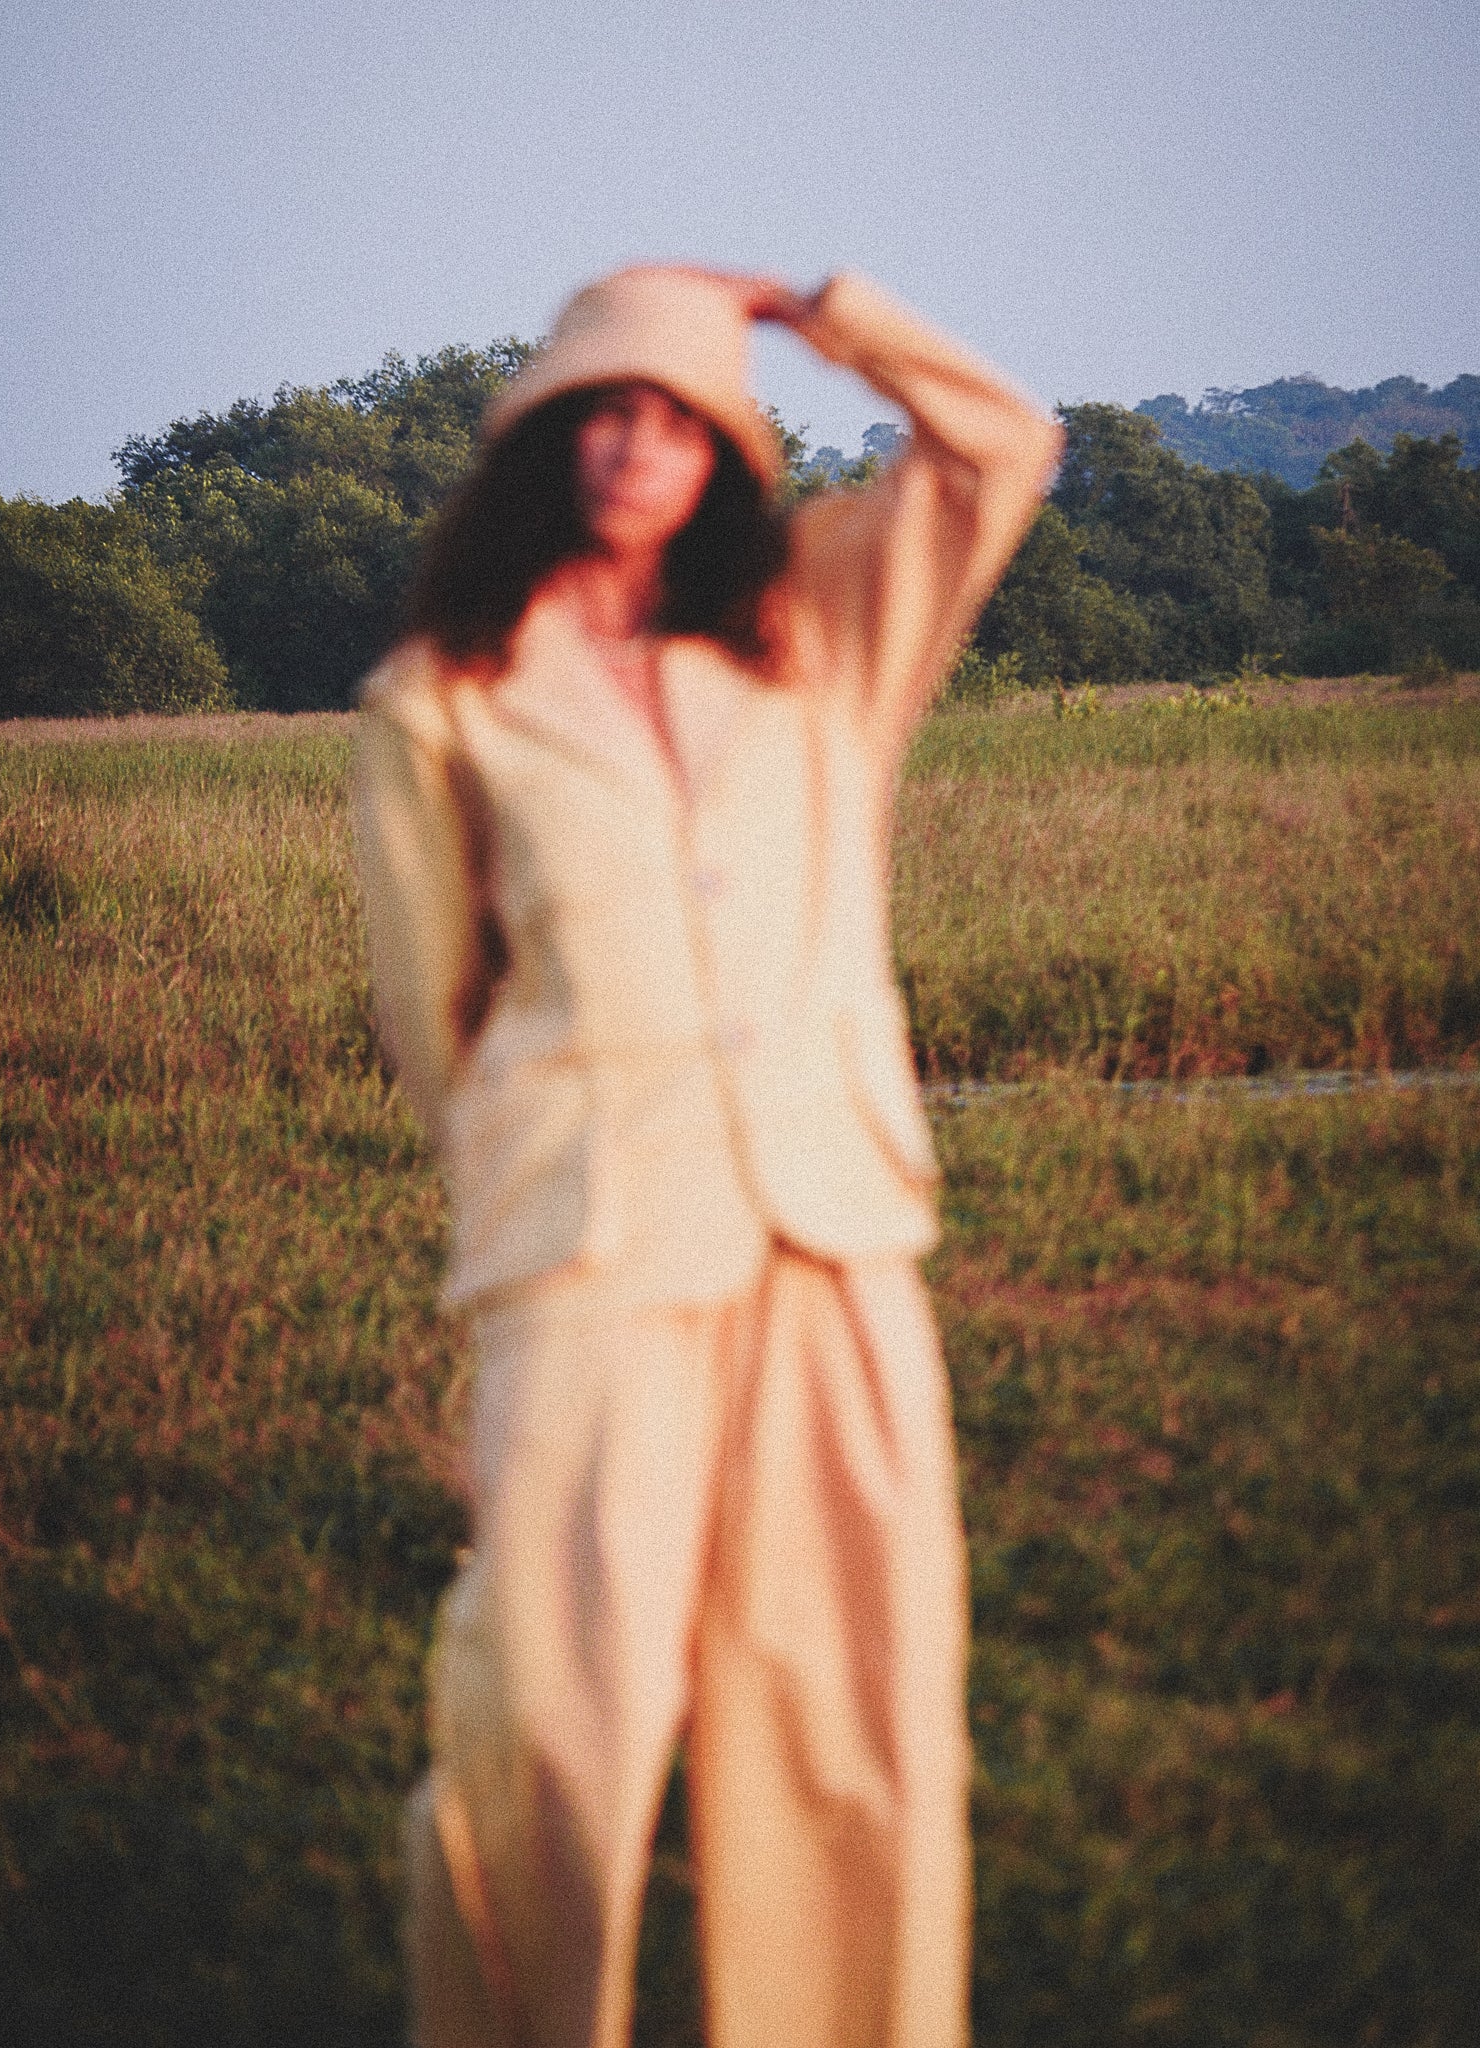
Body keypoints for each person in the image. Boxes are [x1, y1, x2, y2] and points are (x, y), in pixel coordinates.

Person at [353, 265, 1061, 2048]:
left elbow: (1001, 446)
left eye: (676, 414)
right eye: (600, 408)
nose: (633, 442)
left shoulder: (819, 632)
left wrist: (815, 306)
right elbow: (436, 1013)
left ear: (726, 451)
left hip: (831, 1229)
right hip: (591, 1250)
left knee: (852, 1708)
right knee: (553, 1715)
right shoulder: (448, 691)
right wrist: (551, 1173)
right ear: (536, 442)